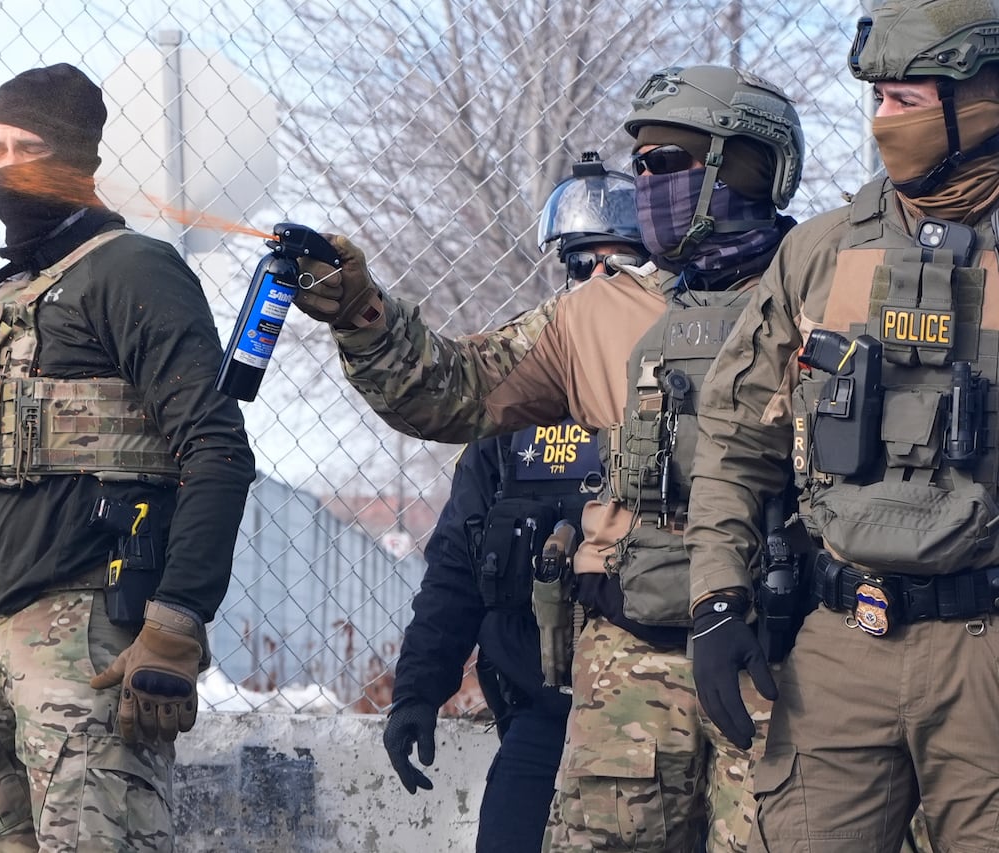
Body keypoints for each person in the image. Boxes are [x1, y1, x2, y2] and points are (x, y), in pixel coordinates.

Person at [293, 64, 804, 853]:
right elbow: (453, 390)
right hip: (630, 665)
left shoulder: (825, 286)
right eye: (640, 166)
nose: (646, 182)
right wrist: (362, 312)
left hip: (781, 658)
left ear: (744, 166)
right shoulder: (595, 314)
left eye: (667, 164)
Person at [0, 63, 256, 850]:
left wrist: (177, 619)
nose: (6, 168)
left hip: (91, 639)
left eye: (26, 148)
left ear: (78, 160)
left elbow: (217, 449)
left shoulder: (131, 269)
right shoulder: (1, 299)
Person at [686, 1, 999, 850]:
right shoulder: (821, 252)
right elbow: (733, 435)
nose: (881, 123)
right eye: (877, 101)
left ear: (978, 105)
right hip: (840, 645)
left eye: (905, 101)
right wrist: (718, 596)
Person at [383, 155, 645, 853]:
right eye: (580, 266)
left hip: (655, 712)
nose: (596, 287)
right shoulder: (515, 421)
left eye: (617, 268)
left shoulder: (678, 403)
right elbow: (456, 565)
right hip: (540, 717)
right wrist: (417, 691)